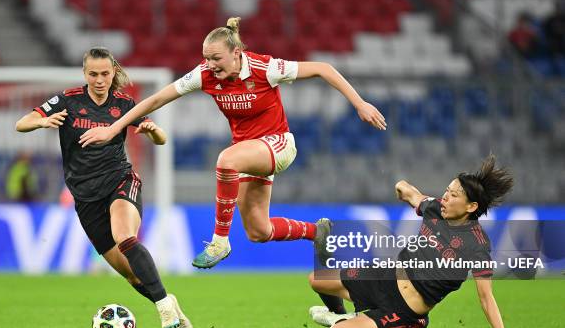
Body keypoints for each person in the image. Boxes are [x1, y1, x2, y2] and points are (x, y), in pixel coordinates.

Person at [78, 17, 387, 269]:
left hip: (278, 144)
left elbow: (323, 68)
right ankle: (317, 231)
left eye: (216, 58)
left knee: (226, 160)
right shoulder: (204, 75)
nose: (210, 64)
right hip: (250, 153)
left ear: (236, 54)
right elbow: (159, 98)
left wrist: (359, 103)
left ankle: (219, 240)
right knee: (258, 230)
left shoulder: (266, 68)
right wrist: (113, 128)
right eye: (206, 58)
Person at [15, 47, 193, 328]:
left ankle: (162, 306)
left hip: (119, 180)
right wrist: (42, 121)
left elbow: (161, 139)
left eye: (105, 74)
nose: (99, 80)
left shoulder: (124, 103)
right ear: (85, 74)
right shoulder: (67, 100)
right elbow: (21, 123)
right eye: (93, 74)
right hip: (85, 196)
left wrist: (152, 131)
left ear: (113, 73)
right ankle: (168, 301)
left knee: (125, 236)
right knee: (129, 273)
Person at [308, 155, 532, 328]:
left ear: (471, 207)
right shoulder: (434, 208)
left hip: (404, 312)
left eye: (454, 195)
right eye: (447, 190)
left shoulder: (476, 244)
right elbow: (410, 192)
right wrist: (401, 187)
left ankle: (345, 321)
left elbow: (486, 297)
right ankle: (341, 315)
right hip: (384, 278)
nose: (446, 196)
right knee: (316, 279)